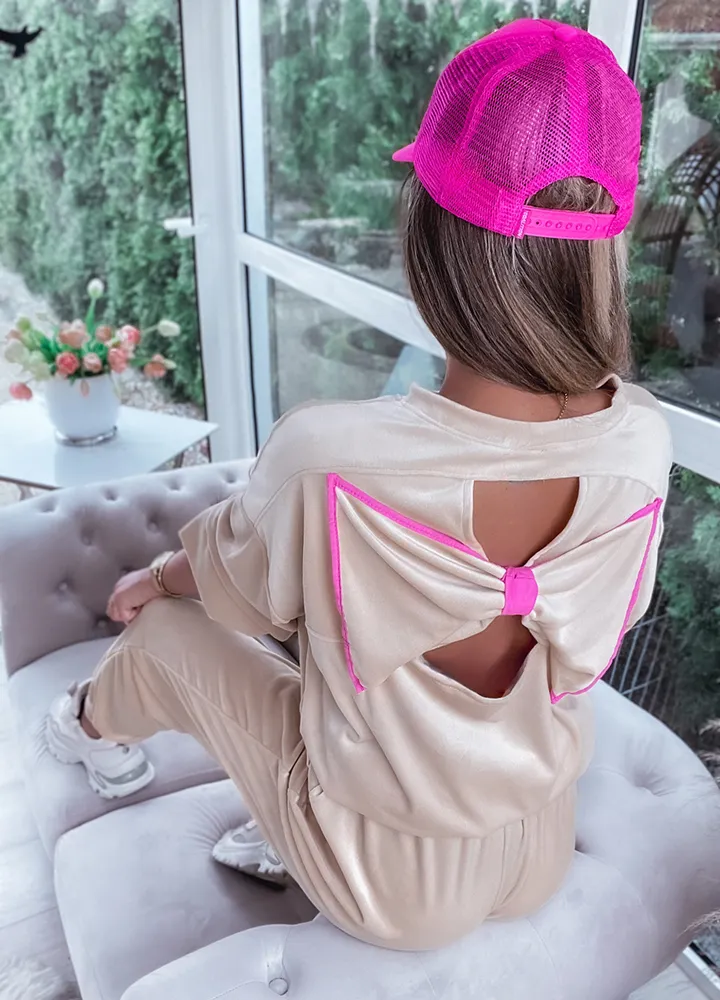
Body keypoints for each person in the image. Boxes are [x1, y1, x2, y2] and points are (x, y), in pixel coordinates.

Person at [45, 19, 672, 951]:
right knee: (337, 628)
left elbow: (236, 591)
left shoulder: (332, 454)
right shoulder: (644, 443)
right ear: (604, 251)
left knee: (169, 629)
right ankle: (291, 815)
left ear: (431, 235)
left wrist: (159, 578)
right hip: (534, 832)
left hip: (393, 882)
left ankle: (83, 730)